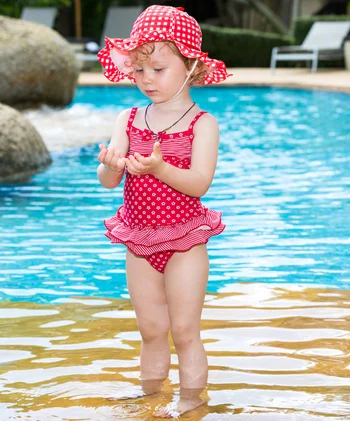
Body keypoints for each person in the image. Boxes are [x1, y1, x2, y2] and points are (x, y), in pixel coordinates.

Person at [95, 5, 231, 418]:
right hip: (139, 242)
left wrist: (159, 167)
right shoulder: (129, 117)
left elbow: (199, 183)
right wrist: (110, 165)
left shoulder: (202, 124)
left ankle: (192, 403)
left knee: (185, 331)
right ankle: (151, 398)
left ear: (190, 66)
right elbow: (107, 182)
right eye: (138, 71)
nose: (146, 80)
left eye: (157, 69)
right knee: (151, 330)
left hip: (185, 241)